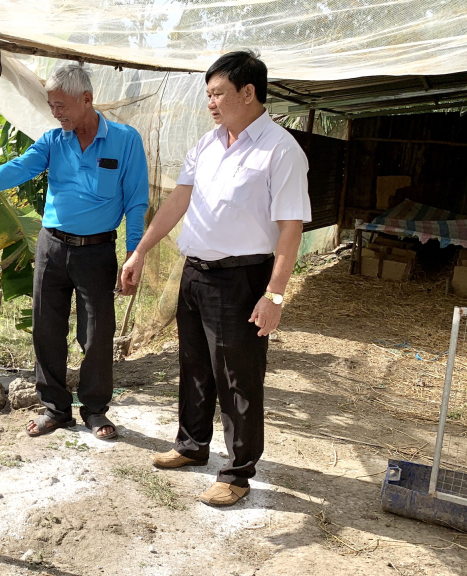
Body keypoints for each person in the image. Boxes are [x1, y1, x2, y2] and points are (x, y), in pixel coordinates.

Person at [121, 50, 311, 506]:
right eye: (207, 94)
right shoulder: (207, 144)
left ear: (248, 92)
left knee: (238, 377)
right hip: (197, 273)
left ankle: (238, 472)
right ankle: (191, 445)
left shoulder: (280, 150)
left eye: (218, 93)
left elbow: (290, 229)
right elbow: (177, 202)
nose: (210, 102)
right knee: (195, 366)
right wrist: (141, 250)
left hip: (242, 277)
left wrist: (275, 296)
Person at [0, 64, 148, 440]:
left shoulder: (125, 140)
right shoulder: (54, 141)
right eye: (51, 105)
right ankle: (56, 409)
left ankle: (94, 410)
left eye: (61, 105)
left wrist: (133, 252)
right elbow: (22, 167)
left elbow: (136, 202)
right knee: (47, 328)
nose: (55, 112)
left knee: (97, 333)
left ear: (86, 100)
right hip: (52, 247)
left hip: (97, 251)